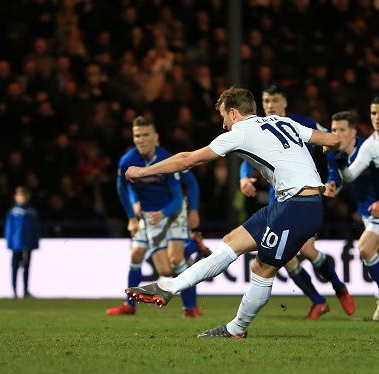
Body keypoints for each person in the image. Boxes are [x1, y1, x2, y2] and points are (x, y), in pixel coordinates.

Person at [125, 86, 340, 338]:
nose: (224, 124)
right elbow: (333, 139)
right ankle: (169, 287)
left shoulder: (239, 132)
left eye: (224, 117)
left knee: (263, 270)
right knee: (230, 243)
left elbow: (187, 159)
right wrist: (327, 153)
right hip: (290, 205)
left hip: (298, 207)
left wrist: (141, 172)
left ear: (234, 113)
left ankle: (236, 329)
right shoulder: (285, 122)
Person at [239, 85, 355, 319]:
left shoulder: (302, 123)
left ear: (284, 103)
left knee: (307, 249)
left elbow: (331, 147)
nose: (269, 105)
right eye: (266, 101)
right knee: (288, 259)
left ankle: (338, 287)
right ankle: (318, 301)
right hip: (277, 200)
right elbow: (245, 154)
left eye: (273, 100)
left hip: (303, 196)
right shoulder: (259, 127)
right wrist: (244, 178)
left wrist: (332, 179)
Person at [107, 116, 194, 316]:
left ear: (155, 137)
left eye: (146, 135)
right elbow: (123, 188)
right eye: (137, 135)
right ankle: (129, 305)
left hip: (170, 213)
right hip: (148, 215)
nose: (141, 139)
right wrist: (131, 214)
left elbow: (178, 197)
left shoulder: (166, 159)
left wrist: (165, 213)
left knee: (169, 267)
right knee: (137, 253)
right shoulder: (127, 161)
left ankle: (189, 305)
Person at [332, 101, 379, 320]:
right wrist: (341, 166)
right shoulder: (371, 145)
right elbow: (349, 176)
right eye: (373, 113)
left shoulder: (366, 145)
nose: (376, 117)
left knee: (365, 247)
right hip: (370, 212)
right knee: (367, 250)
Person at [4, 186, 40, 299]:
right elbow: (9, 228)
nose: (22, 198)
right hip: (16, 244)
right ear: (15, 197)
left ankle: (25, 291)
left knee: (27, 267)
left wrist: (35, 242)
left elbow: (35, 228)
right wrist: (9, 242)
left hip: (28, 244)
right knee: (15, 267)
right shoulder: (13, 211)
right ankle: (14, 291)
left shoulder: (31, 212)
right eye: (20, 196)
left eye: (23, 196)